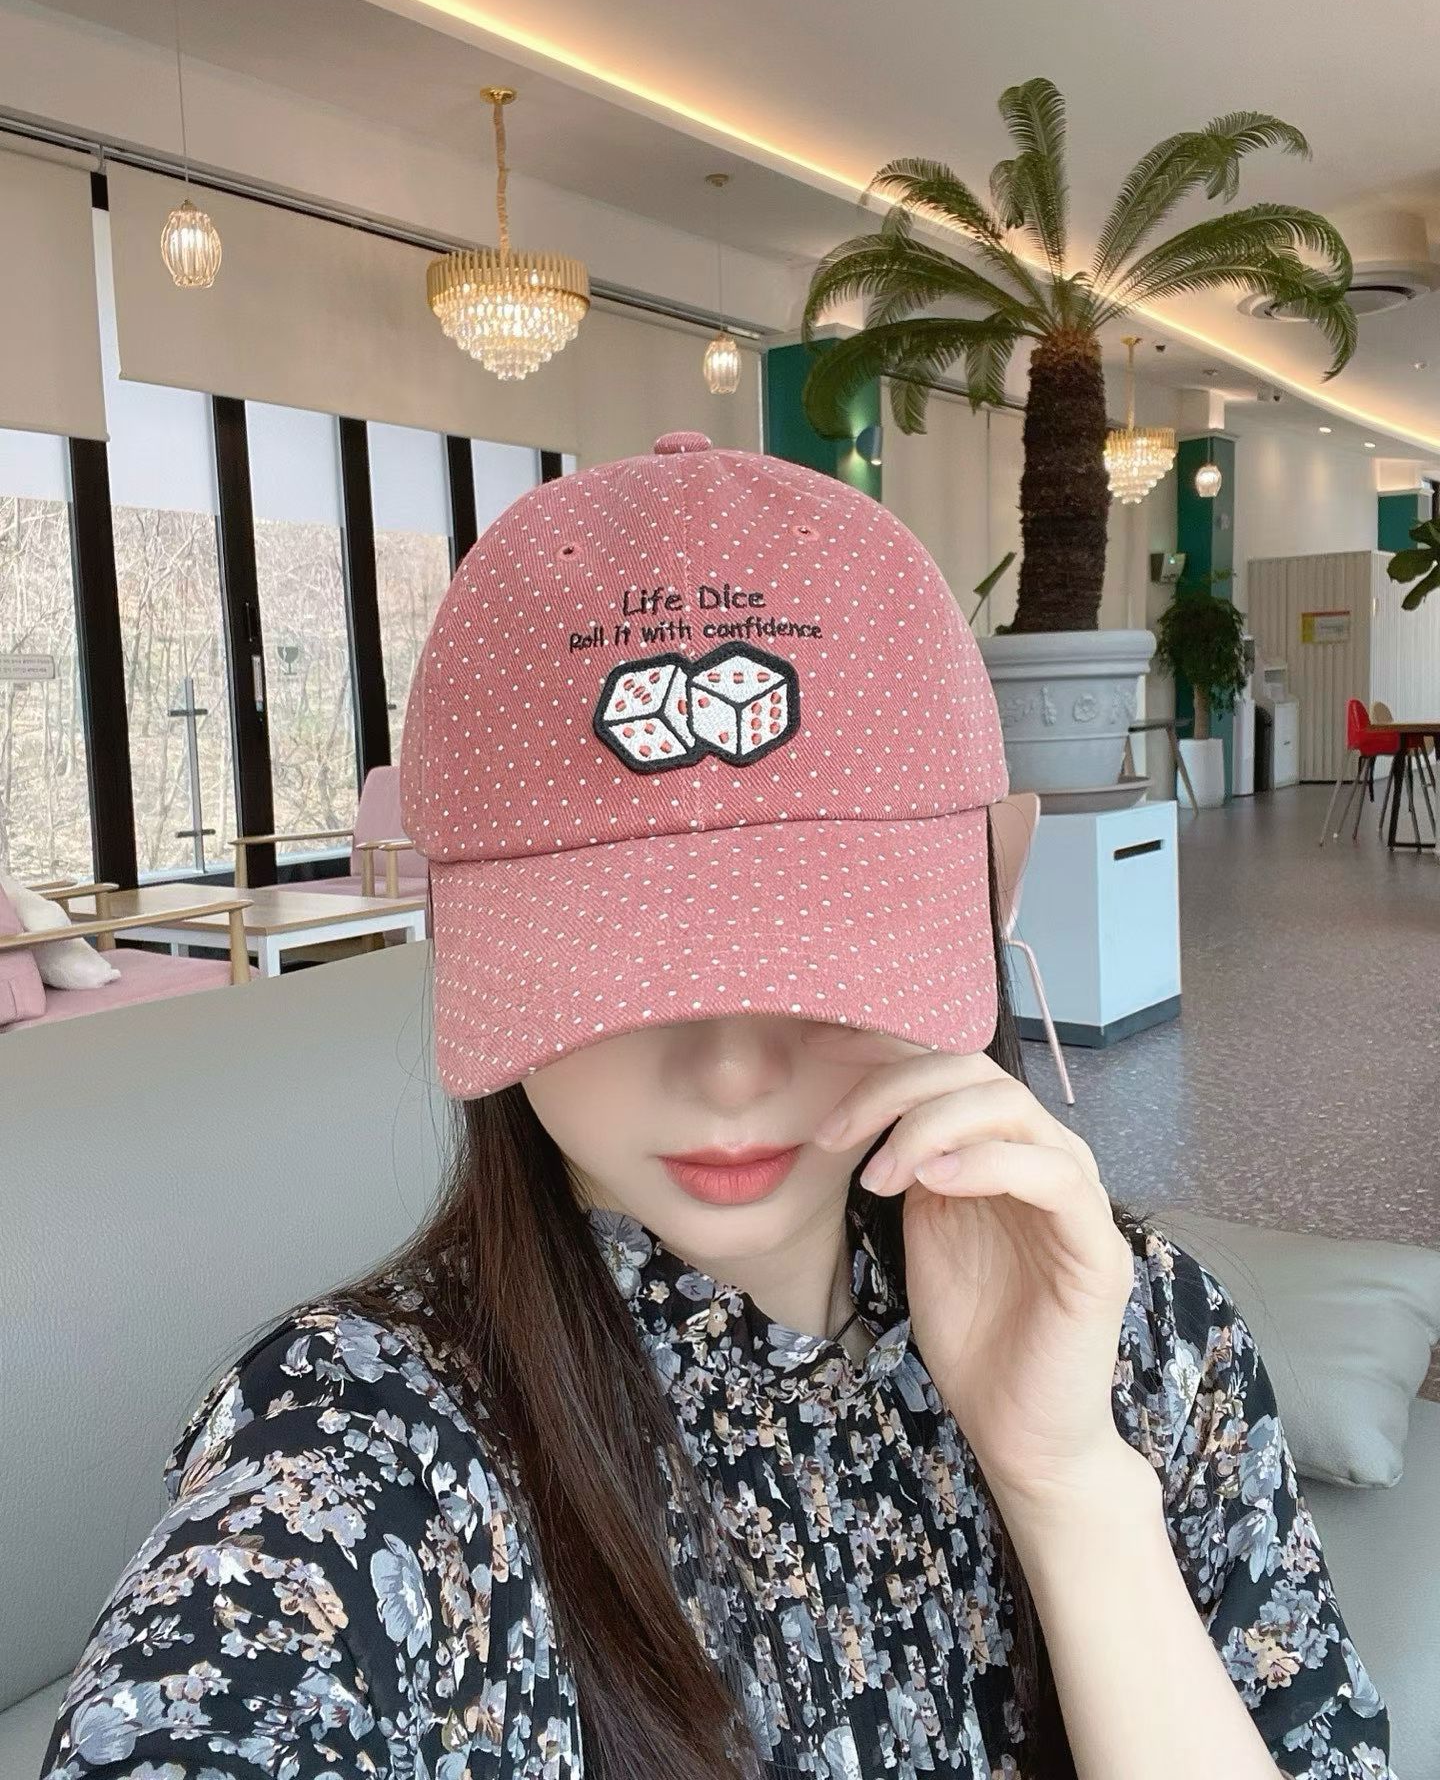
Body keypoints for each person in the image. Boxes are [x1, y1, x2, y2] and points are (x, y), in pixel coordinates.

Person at [40, 432, 1393, 1780]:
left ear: (986, 894)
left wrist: (1075, 1489)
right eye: (617, 961)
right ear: (464, 927)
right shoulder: (368, 1439)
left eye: (821, 950)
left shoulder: (1139, 1335)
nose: (732, 1070)